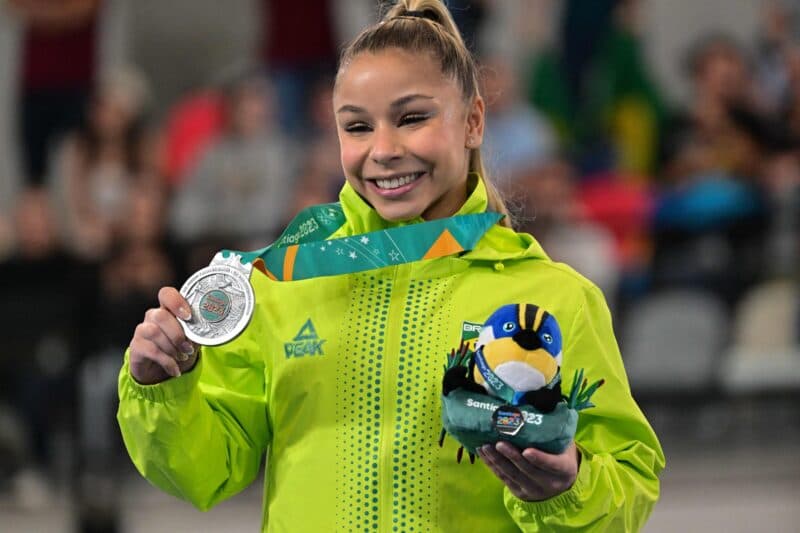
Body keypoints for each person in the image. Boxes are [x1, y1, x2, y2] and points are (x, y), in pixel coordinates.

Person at [117, 1, 664, 531]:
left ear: (473, 121)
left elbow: (629, 484)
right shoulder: (286, 285)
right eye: (357, 127)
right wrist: (165, 388)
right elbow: (205, 470)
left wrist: (569, 487)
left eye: (412, 118)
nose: (383, 149)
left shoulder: (554, 298)